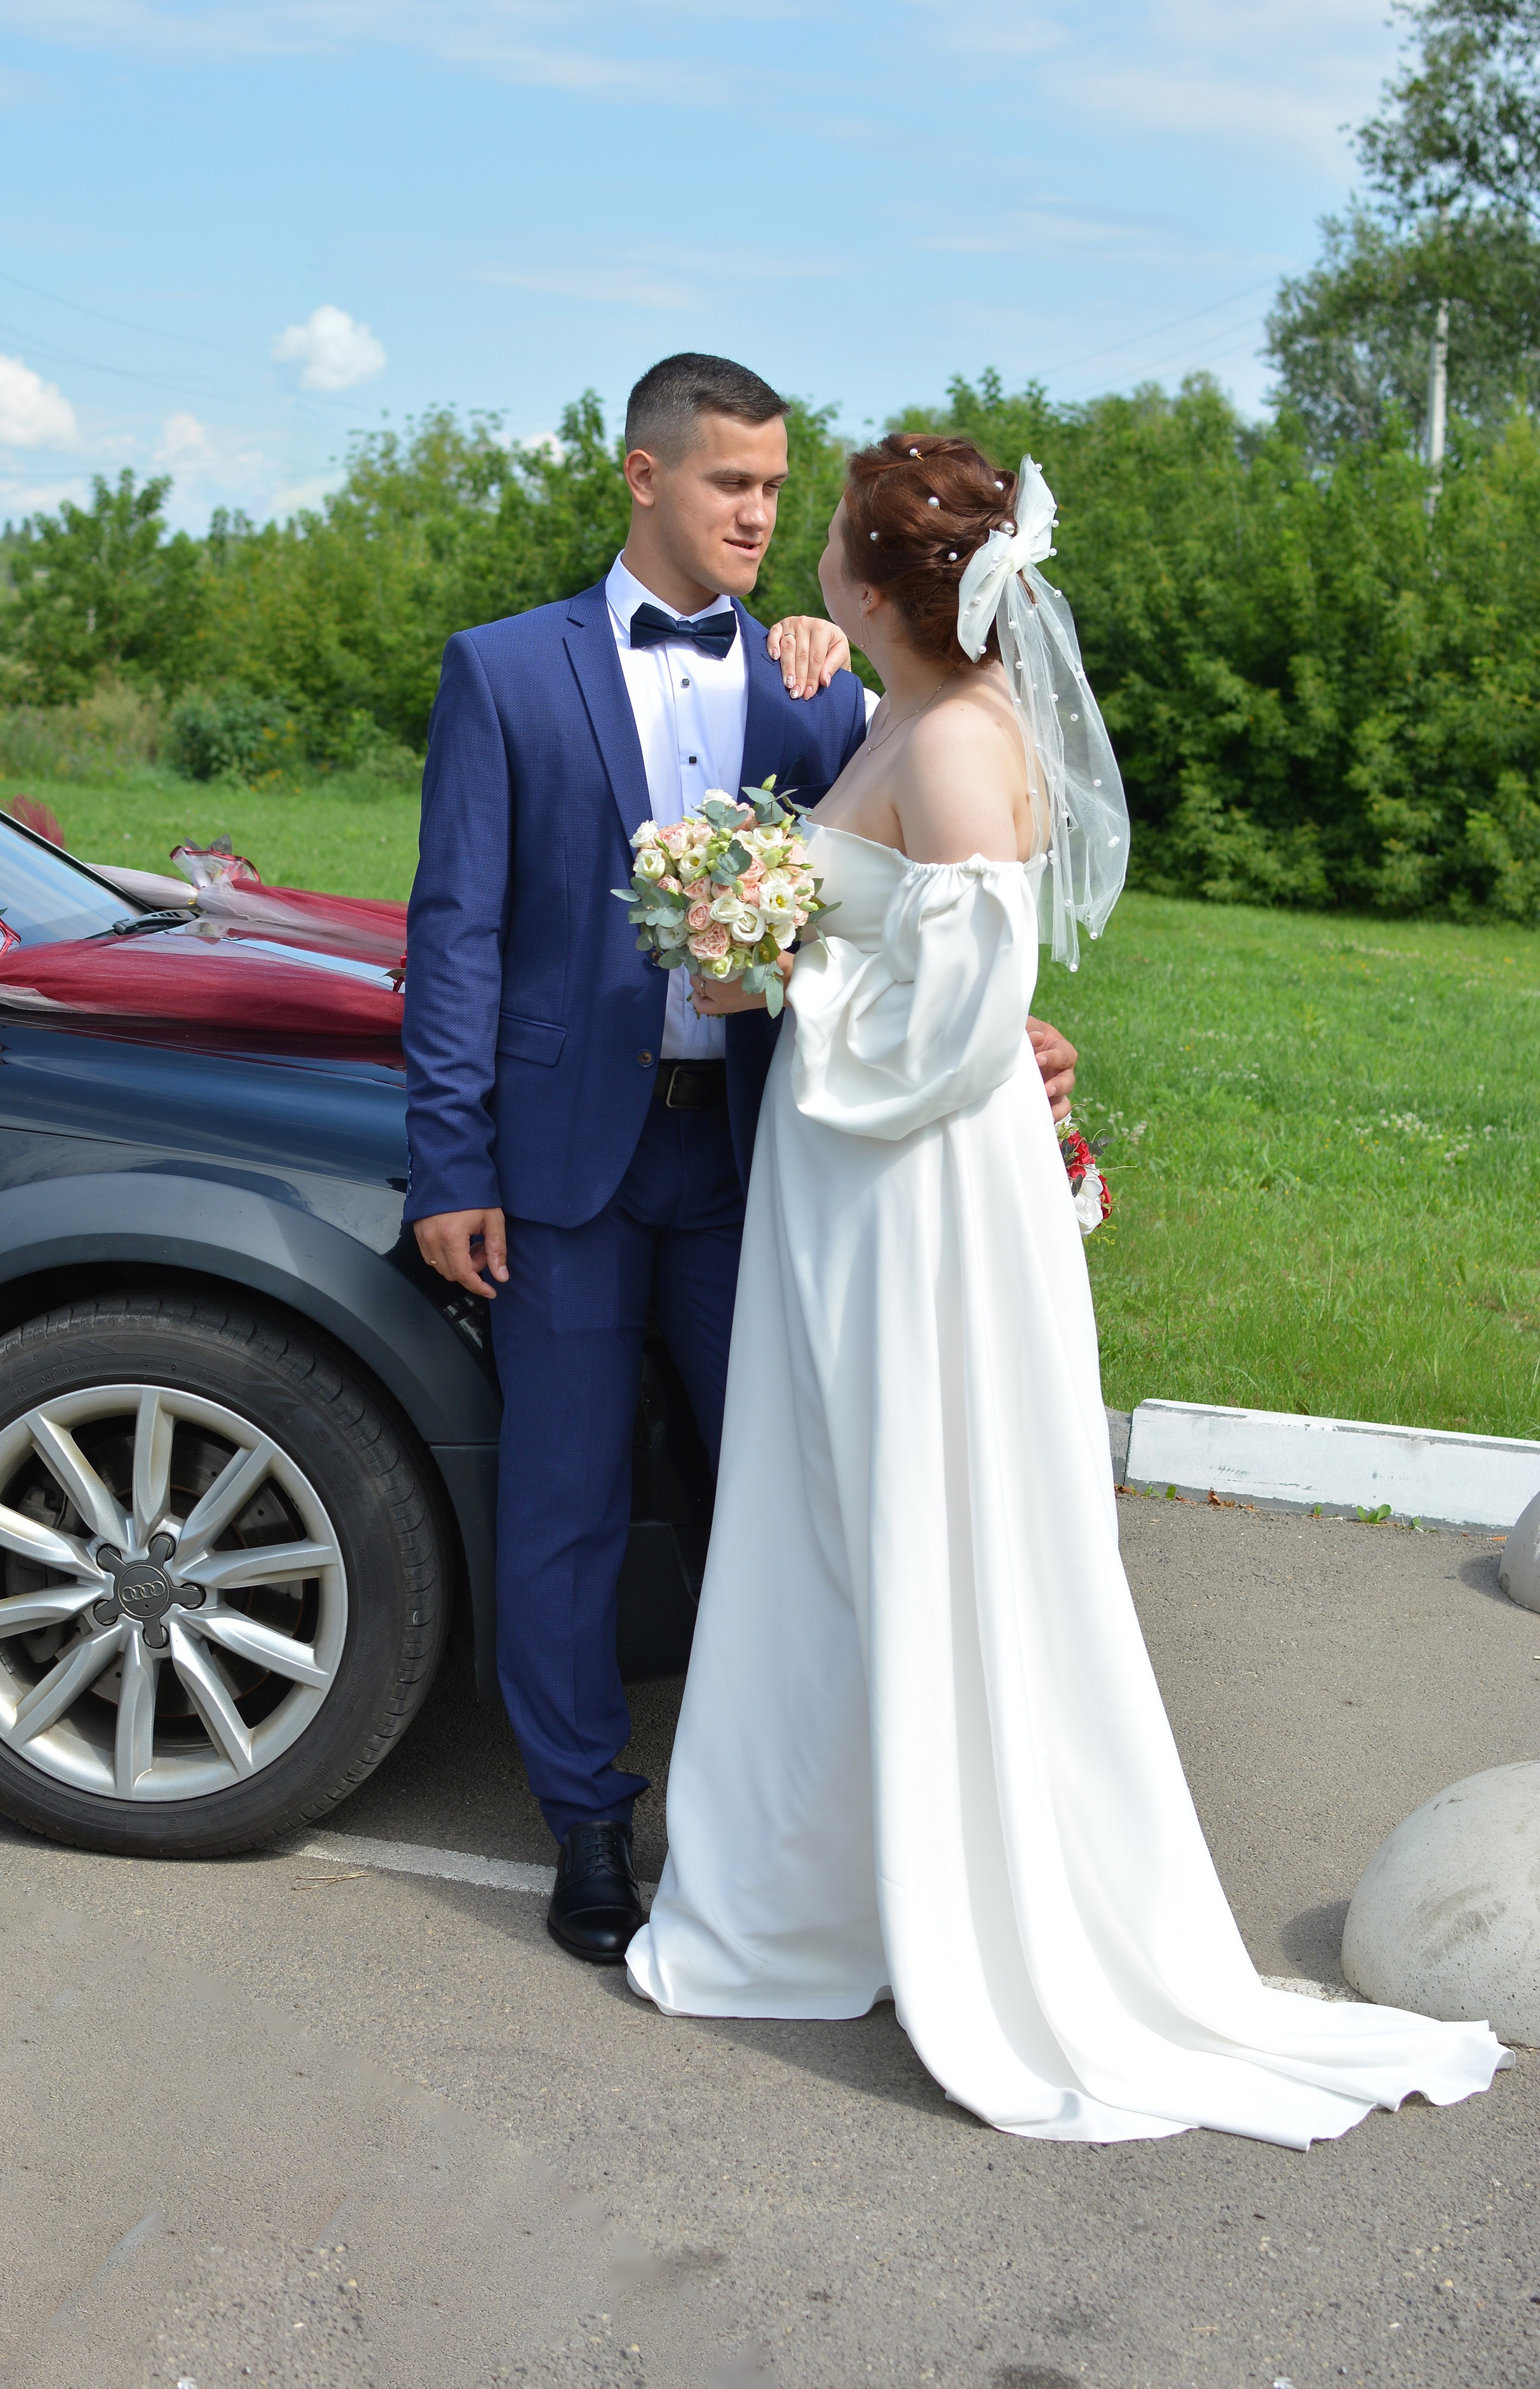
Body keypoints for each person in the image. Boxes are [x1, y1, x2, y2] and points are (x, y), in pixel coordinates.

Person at [623, 433, 1510, 2148]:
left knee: (915, 1518)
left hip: (918, 1198)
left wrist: (774, 967)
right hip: (860, 1186)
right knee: (836, 1521)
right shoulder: (906, 706)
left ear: (876, 582)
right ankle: (830, 1892)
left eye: (827, 535)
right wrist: (773, 931)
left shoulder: (956, 741)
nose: (805, 551)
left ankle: (967, 1918)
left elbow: (959, 1020)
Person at [403, 358, 1081, 1964]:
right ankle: (585, 1821)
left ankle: (788, 1819)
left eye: (777, 490)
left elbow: (935, 895)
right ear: (643, 477)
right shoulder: (502, 674)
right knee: (560, 1508)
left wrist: (1017, 1047)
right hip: (561, 1167)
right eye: (729, 486)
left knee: (780, 1495)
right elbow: (456, 938)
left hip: (770, 1160)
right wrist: (450, 1165)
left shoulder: (823, 686)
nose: (760, 516)